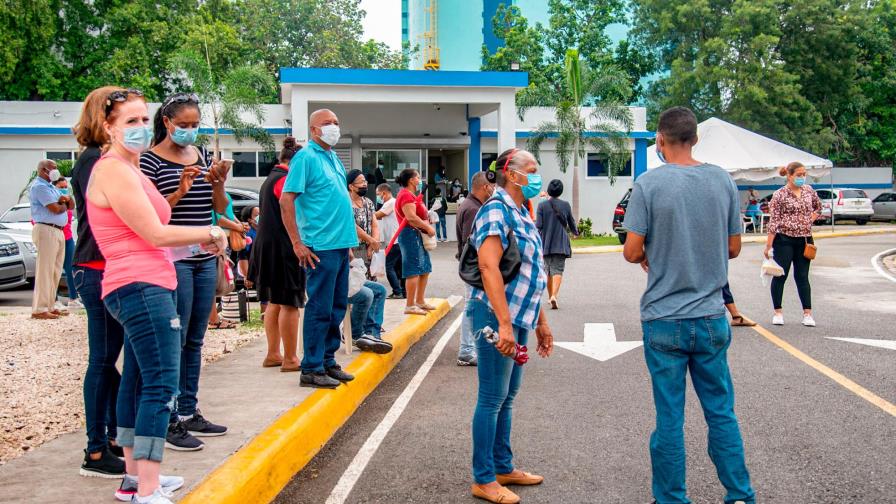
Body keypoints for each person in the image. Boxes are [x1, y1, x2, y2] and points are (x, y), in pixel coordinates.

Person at [85, 86, 228, 504]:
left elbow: (157, 220)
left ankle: (135, 480)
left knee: (137, 380)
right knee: (162, 385)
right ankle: (146, 488)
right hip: (141, 285)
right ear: (106, 126)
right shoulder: (112, 169)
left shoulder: (130, 168)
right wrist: (211, 232)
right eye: (131, 121)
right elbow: (154, 233)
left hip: (144, 282)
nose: (141, 128)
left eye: (144, 119)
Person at [622, 106, 755, 504]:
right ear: (695, 139)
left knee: (670, 419)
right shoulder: (722, 181)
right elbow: (733, 247)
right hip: (712, 316)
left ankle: (672, 499)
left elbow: (631, 252)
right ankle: (739, 495)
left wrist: (653, 251)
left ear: (660, 141)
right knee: (721, 412)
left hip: (664, 318)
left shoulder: (648, 185)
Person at [140, 92, 230, 451]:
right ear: (167, 122)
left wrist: (218, 179)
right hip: (172, 258)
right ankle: (170, 417)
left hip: (204, 257)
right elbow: (151, 213)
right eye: (185, 125)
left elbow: (219, 207)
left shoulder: (201, 154)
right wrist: (180, 189)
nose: (190, 132)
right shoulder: (150, 162)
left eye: (195, 126)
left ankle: (189, 408)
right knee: (174, 339)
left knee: (195, 338)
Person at [468, 148, 553, 504]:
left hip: (519, 318)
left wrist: (541, 324)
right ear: (510, 173)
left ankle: (503, 466)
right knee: (491, 397)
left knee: (508, 396)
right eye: (531, 170)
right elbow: (488, 268)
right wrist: (503, 325)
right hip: (495, 316)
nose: (536, 176)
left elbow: (531, 273)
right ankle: (483, 478)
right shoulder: (496, 210)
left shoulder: (521, 211)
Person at [280, 109, 357, 389]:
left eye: (336, 122)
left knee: (336, 307)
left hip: (339, 245)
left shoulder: (333, 157)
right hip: (319, 246)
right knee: (320, 307)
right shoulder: (306, 158)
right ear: (314, 130)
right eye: (327, 123)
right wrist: (297, 242)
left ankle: (327, 360)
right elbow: (286, 201)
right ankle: (311, 367)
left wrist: (348, 244)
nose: (334, 127)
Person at [71, 86, 126, 478]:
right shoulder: (95, 162)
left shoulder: (99, 160)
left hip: (105, 266)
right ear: (105, 121)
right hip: (97, 267)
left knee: (109, 362)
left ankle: (107, 437)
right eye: (127, 119)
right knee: (103, 360)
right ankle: (95, 450)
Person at [249, 138, 305, 372]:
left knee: (274, 301)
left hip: (266, 247)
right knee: (290, 303)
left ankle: (273, 353)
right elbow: (289, 207)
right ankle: (291, 358)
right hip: (283, 247)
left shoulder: (270, 177)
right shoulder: (285, 179)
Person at [764, 162, 821, 327]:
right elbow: (773, 221)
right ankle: (778, 312)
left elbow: (818, 207)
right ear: (789, 176)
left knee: (802, 276)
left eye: (804, 174)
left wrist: (810, 219)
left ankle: (807, 313)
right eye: (799, 175)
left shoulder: (809, 190)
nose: (802, 177)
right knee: (781, 275)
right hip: (784, 239)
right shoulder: (779, 195)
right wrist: (768, 245)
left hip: (804, 239)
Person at [455, 172, 494, 367]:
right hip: (474, 269)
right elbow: (474, 244)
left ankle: (473, 347)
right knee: (472, 308)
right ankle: (466, 350)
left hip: (473, 268)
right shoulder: (473, 210)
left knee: (476, 307)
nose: (493, 190)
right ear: (484, 187)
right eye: (491, 186)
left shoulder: (472, 206)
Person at [29, 159, 72, 319]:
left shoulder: (52, 188)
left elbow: (70, 204)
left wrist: (65, 202)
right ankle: (39, 308)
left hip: (58, 231)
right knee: (45, 270)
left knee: (55, 271)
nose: (56, 171)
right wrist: (64, 204)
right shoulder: (39, 187)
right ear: (43, 170)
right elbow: (54, 209)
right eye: (52, 169)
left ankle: (50, 305)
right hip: (46, 229)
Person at [394, 168, 436, 316]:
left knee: (424, 268)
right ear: (411, 180)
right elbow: (411, 217)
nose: (419, 180)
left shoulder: (410, 195)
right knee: (413, 270)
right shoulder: (405, 195)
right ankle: (410, 305)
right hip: (409, 234)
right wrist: (427, 228)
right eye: (417, 177)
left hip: (416, 234)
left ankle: (419, 300)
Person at [536, 179, 578, 310]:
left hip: (546, 243)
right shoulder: (565, 205)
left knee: (548, 271)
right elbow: (571, 222)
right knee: (558, 270)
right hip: (561, 243)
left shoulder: (542, 206)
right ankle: (554, 295)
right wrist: (575, 232)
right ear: (560, 191)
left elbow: (539, 225)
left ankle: (550, 297)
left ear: (548, 190)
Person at [207, 192, 244, 330]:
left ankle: (214, 317)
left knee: (218, 279)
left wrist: (239, 223)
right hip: (217, 239)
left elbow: (228, 212)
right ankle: (213, 319)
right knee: (213, 280)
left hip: (226, 238)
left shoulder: (223, 191)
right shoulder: (209, 190)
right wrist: (236, 226)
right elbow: (217, 217)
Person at [53, 176, 82, 309]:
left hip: (68, 238)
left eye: (65, 187)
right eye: (61, 187)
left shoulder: (67, 201)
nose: (64, 189)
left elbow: (73, 209)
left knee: (71, 269)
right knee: (54, 270)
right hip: (55, 237)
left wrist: (68, 199)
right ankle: (53, 299)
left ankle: (73, 298)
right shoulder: (51, 201)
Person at [375, 183, 405, 299]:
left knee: (389, 267)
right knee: (399, 268)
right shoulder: (394, 202)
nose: (378, 197)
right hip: (398, 240)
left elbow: (377, 215)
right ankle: (403, 291)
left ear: (384, 193)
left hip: (394, 241)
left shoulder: (390, 203)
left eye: (378, 194)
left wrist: (364, 213)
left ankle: (397, 292)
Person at [347, 169, 379, 270]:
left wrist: (372, 244)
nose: (365, 184)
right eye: (361, 182)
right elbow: (351, 226)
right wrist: (371, 240)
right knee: (357, 281)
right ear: (351, 186)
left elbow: (374, 225)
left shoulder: (368, 202)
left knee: (371, 281)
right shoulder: (346, 203)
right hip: (352, 250)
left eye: (365, 181)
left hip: (369, 249)